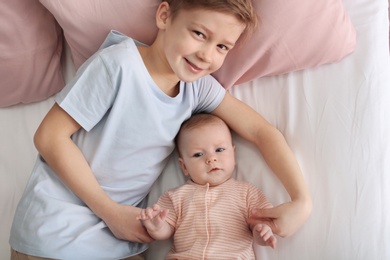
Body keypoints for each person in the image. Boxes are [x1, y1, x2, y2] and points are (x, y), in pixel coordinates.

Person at [9, 0, 311, 259]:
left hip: (122, 242)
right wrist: (110, 212)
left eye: (222, 46)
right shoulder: (119, 65)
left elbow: (261, 131)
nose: (207, 55)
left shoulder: (198, 89)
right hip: (56, 233)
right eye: (198, 34)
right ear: (164, 16)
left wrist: (301, 201)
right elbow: (49, 137)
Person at [137, 113, 277, 259]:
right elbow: (165, 231)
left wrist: (262, 232)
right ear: (184, 166)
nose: (211, 158)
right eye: (198, 154)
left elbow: (263, 223)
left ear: (233, 154)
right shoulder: (175, 196)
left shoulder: (247, 192)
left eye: (219, 150)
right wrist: (157, 227)